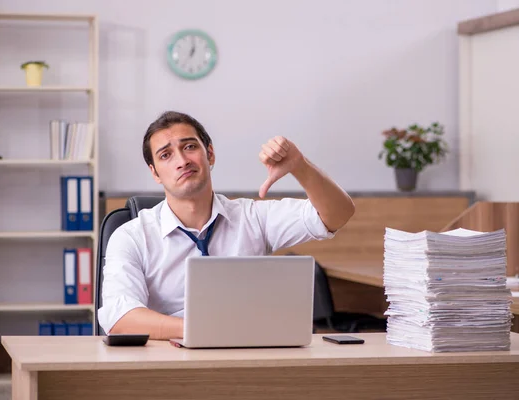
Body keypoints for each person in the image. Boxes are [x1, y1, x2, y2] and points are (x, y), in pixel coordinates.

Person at [97, 111, 355, 339]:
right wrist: (202, 329)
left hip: (246, 358)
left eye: (189, 147)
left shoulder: (252, 217)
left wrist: (300, 167)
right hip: (170, 362)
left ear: (210, 154)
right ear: (155, 173)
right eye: (166, 155)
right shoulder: (130, 236)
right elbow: (121, 318)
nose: (182, 160)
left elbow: (338, 215)